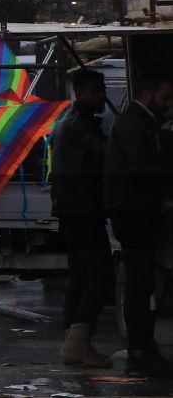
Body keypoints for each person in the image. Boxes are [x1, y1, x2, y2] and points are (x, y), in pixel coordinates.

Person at [104, 72, 173, 377]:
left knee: (141, 283)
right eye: (165, 97)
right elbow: (141, 166)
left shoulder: (138, 120)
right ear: (148, 93)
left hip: (136, 212)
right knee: (138, 284)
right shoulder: (134, 122)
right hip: (134, 214)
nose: (168, 104)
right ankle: (139, 352)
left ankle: (143, 347)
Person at [51, 68, 113, 368]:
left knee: (79, 277)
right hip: (83, 211)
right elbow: (107, 157)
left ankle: (72, 341)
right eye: (97, 91)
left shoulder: (67, 123)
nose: (102, 97)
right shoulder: (82, 127)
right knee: (100, 278)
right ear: (81, 93)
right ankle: (78, 343)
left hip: (72, 211)